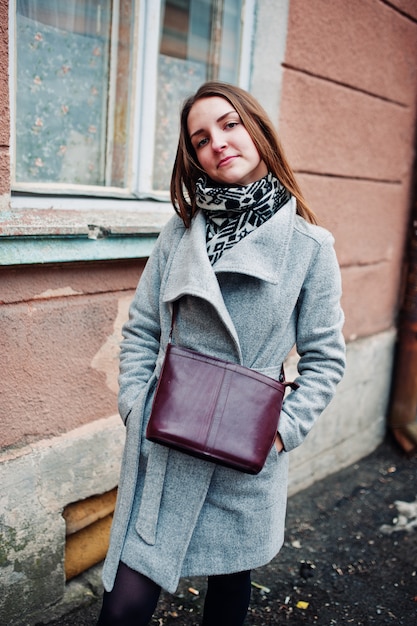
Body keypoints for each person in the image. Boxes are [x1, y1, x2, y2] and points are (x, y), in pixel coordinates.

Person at [97, 81, 346, 625]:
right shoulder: (181, 232)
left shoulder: (308, 247)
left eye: (230, 124)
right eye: (201, 137)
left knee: (227, 598)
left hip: (244, 452)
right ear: (196, 158)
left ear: (256, 130)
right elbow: (142, 329)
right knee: (125, 605)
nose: (219, 142)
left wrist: (280, 431)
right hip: (166, 441)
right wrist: (136, 405)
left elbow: (326, 359)